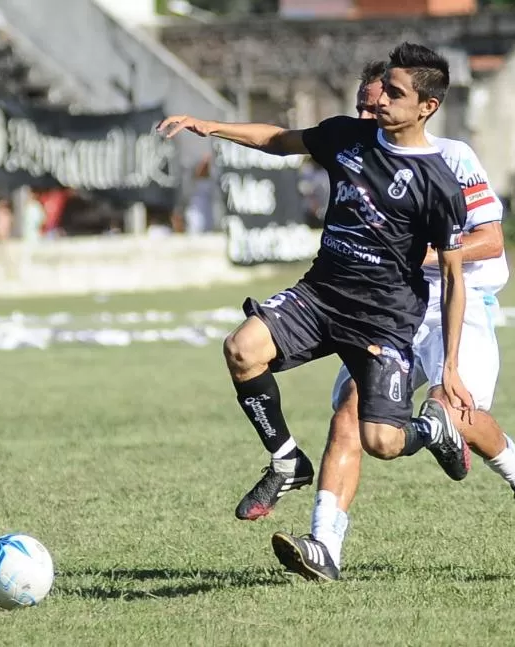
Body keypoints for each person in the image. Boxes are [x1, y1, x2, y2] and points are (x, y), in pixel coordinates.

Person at [158, 42, 474, 544]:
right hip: (320, 295)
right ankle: (286, 461)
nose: (379, 104)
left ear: (426, 107)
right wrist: (209, 126)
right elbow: (279, 139)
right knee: (242, 349)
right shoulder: (347, 136)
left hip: (383, 320)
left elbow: (456, 279)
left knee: (382, 442)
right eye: (379, 93)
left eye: (393, 94)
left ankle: (431, 430)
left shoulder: (439, 184)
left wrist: (451, 366)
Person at [270, 60, 515, 582]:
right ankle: (324, 546)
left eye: (375, 101)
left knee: (457, 413)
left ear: (411, 104)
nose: (365, 112)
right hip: (386, 312)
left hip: (454, 303)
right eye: (360, 104)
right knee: (349, 418)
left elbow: (490, 240)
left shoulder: (452, 157)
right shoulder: (361, 152)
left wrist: (419, 255)